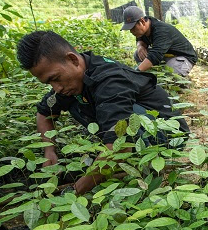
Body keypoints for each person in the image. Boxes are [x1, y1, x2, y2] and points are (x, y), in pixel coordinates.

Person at [17, 30, 189, 195]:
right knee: (75, 102)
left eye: (55, 79)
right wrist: (49, 150)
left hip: (169, 136)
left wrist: (74, 192)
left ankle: (150, 167)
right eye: (49, 83)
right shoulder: (70, 81)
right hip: (125, 139)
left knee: (126, 125)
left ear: (73, 60)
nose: (56, 88)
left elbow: (120, 147)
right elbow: (44, 113)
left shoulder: (110, 81)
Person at [121, 6, 197, 77]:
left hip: (182, 57)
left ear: (142, 21)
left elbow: (155, 55)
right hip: (165, 55)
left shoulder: (161, 31)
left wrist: (136, 73)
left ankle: (182, 78)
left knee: (169, 76)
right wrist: (140, 46)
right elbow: (139, 38)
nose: (131, 31)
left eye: (133, 28)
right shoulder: (145, 28)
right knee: (138, 53)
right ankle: (150, 73)